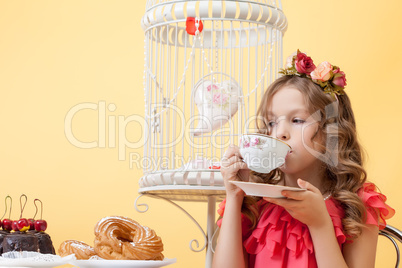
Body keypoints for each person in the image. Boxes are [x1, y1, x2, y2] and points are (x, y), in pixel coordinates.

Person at [212, 50, 395, 268]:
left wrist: (320, 225)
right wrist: (234, 196)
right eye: (271, 123)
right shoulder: (254, 203)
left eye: (297, 120)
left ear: (331, 131)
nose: (280, 132)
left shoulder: (357, 206)